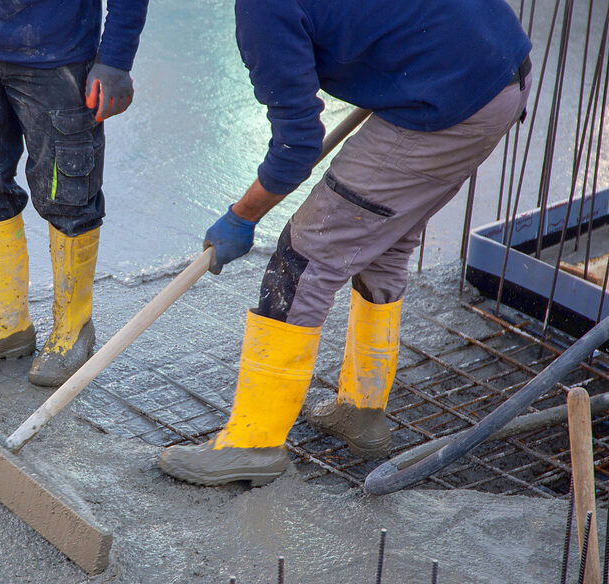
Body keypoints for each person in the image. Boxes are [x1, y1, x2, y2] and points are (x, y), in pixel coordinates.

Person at [159, 0, 532, 486]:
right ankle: (361, 411)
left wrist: (242, 215)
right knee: (384, 241)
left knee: (305, 257)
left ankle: (253, 443)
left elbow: (296, 145)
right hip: (498, 72)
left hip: (451, 99)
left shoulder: (262, 9)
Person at [0, 0, 149, 387]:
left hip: (55, 50)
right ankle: (4, 325)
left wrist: (116, 57)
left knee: (68, 192)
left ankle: (72, 330)